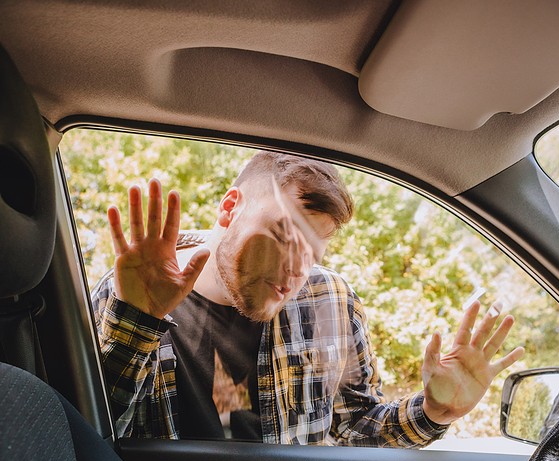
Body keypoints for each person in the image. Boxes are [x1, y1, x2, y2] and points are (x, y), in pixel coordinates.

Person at [92, 151, 524, 445]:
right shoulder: (128, 295)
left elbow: (354, 429)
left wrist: (434, 412)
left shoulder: (331, 299)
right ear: (230, 208)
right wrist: (137, 323)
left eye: (315, 249)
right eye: (286, 236)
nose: (300, 267)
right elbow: (87, 440)